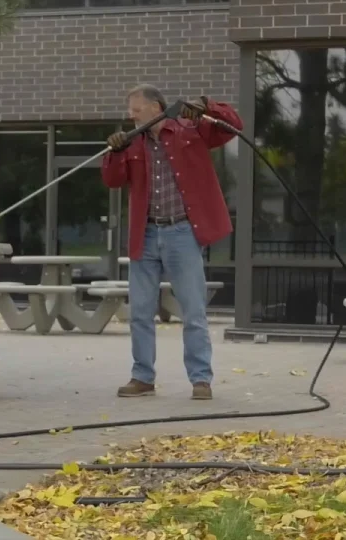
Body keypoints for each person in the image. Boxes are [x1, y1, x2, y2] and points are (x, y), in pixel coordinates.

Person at [100, 84, 243, 401]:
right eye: (130, 111)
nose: (131, 115)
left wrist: (206, 106)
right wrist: (115, 152)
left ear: (156, 107)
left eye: (137, 109)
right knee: (139, 312)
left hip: (182, 234)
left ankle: (201, 379)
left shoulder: (190, 130)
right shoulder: (133, 143)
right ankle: (142, 377)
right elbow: (112, 181)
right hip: (146, 234)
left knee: (192, 311)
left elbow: (233, 125)